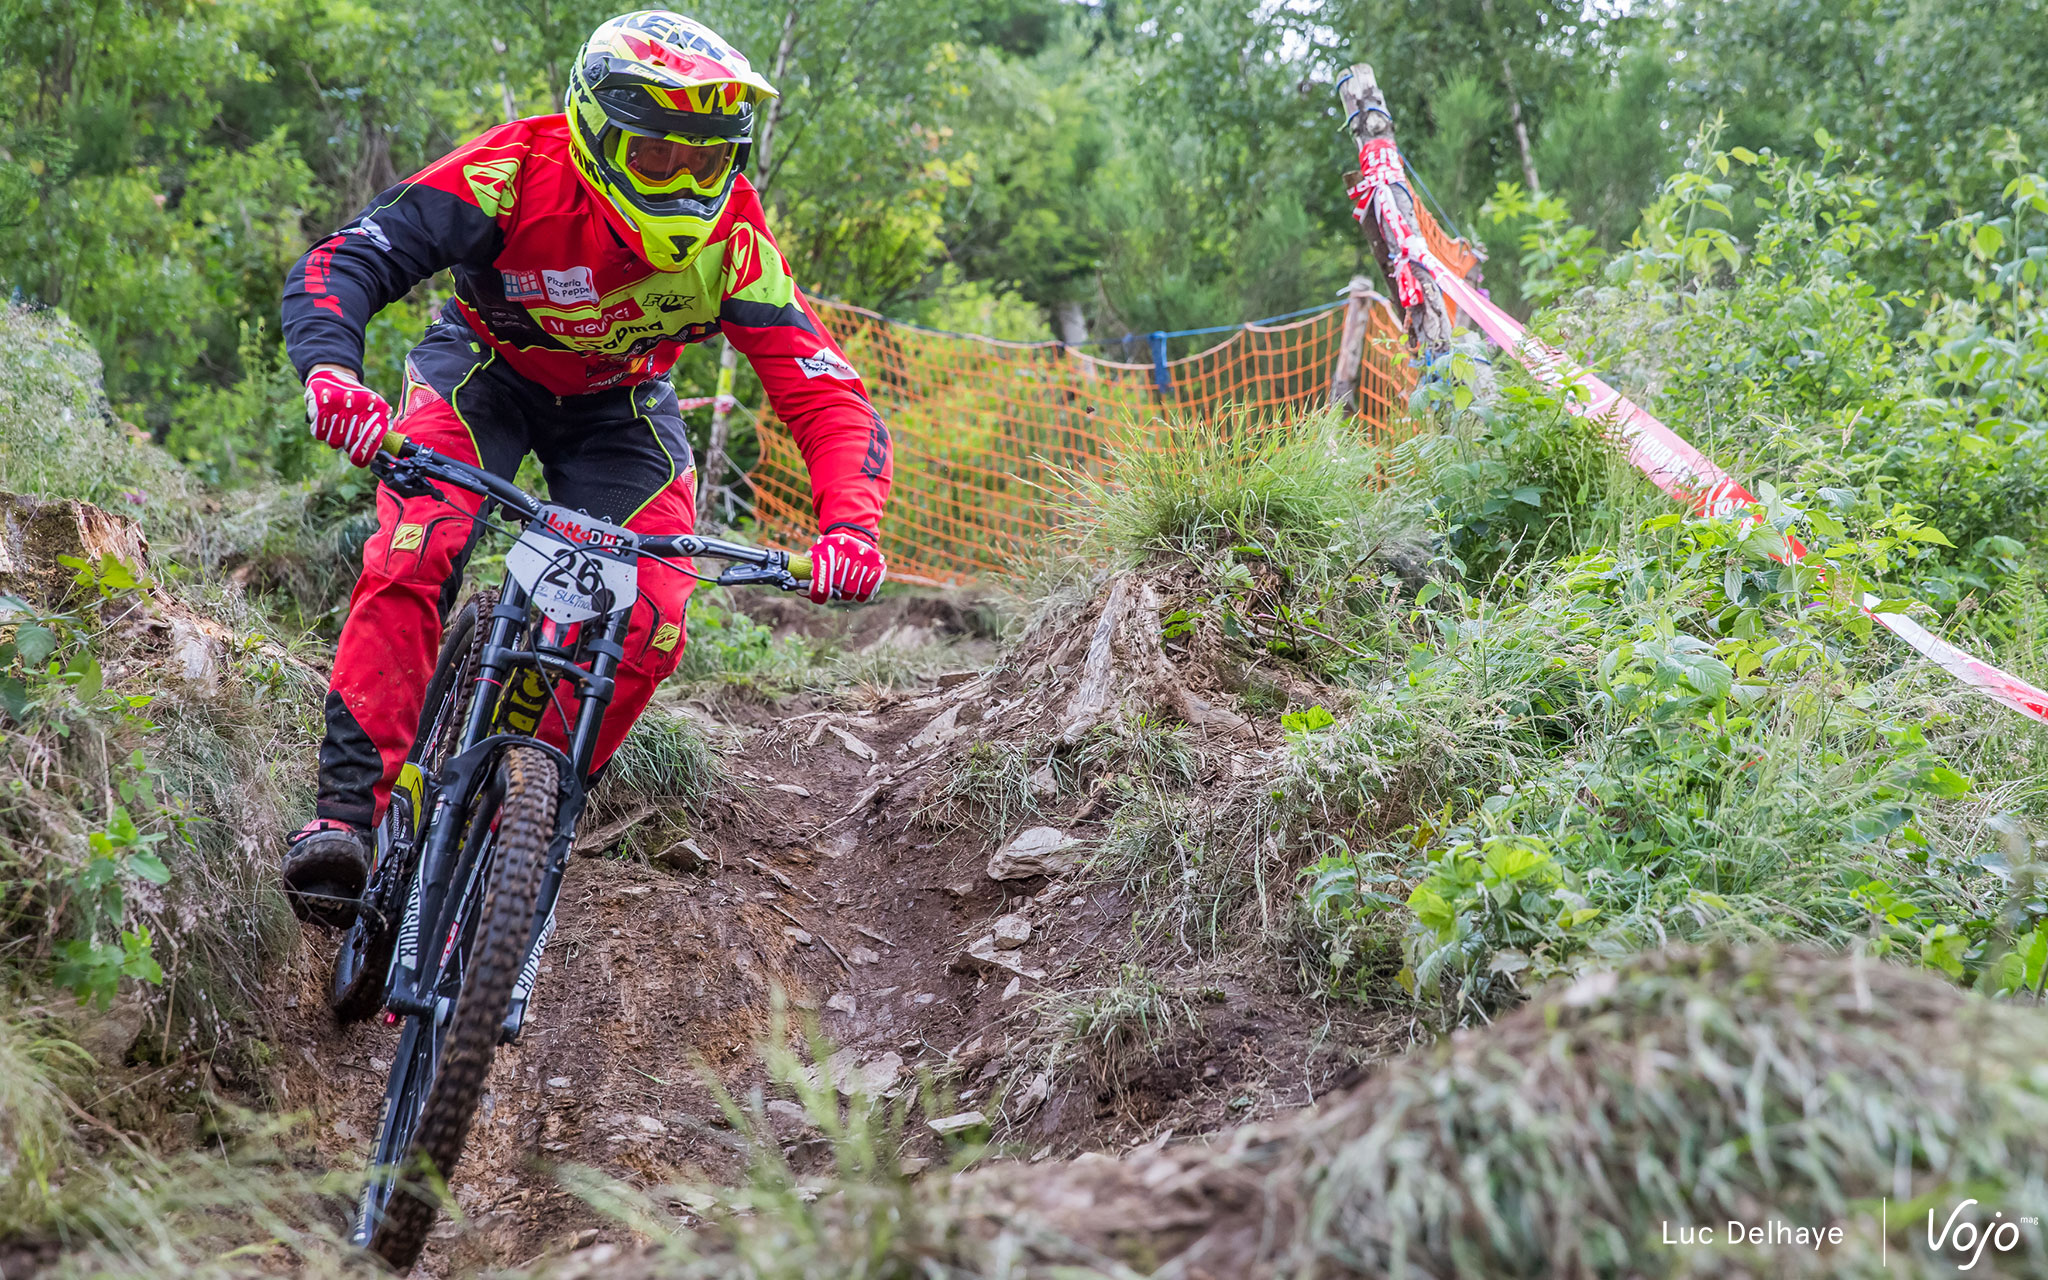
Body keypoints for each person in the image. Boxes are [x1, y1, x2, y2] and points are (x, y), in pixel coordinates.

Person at [277, 10, 891, 924]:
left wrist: (851, 526)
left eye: (707, 160)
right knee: (416, 548)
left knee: (655, 616)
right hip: (483, 372)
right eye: (657, 159)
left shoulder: (733, 243)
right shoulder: (512, 171)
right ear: (600, 135)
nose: (686, 182)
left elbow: (826, 395)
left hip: (620, 408)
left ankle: (525, 815)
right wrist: (333, 373)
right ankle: (344, 820)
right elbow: (350, 260)